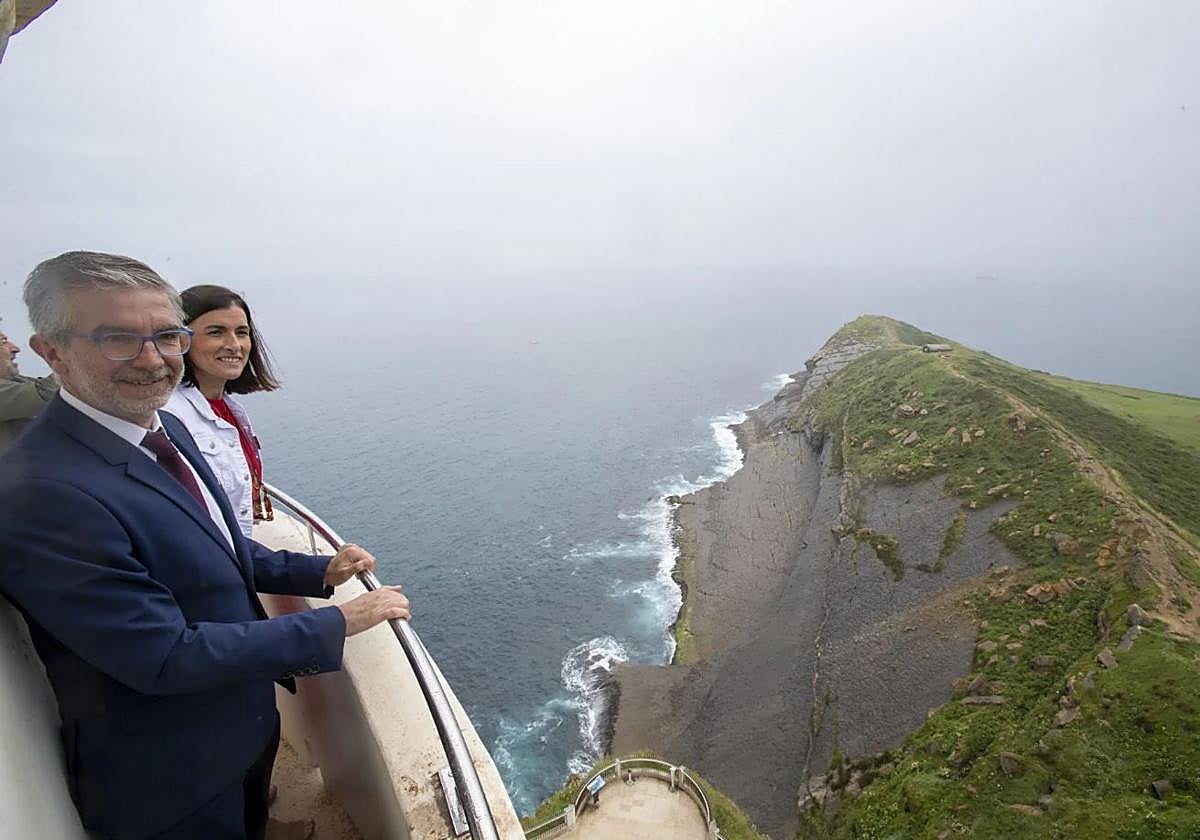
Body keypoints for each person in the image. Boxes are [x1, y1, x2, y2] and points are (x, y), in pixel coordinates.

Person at [0, 251, 412, 840]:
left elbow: (215, 544)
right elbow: (163, 655)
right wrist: (339, 622)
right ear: (52, 352)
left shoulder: (157, 430)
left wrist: (317, 572)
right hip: (172, 773)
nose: (153, 359)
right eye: (119, 338)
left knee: (253, 815)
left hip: (237, 722)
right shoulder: (43, 492)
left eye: (167, 336)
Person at [166, 285, 279, 538]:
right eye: (216, 332)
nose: (234, 345)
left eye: (242, 332)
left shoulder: (229, 409)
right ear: (181, 339)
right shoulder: (170, 416)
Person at [0, 322, 59, 452]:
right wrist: (69, 356)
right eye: (3, 342)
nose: (15, 348)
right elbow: (47, 394)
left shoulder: (15, 381)